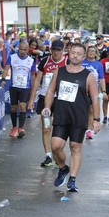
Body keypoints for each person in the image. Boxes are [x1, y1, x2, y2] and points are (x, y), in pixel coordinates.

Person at [42, 43, 101, 192]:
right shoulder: (59, 72)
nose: (75, 55)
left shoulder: (88, 76)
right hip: (62, 114)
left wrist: (96, 120)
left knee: (75, 147)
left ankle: (72, 180)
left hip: (78, 117)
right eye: (73, 52)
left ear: (84, 56)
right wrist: (47, 107)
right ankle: (63, 168)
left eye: (79, 53)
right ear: (69, 53)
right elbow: (50, 91)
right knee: (55, 146)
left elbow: (95, 99)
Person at [28, 39, 67, 167]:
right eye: (53, 50)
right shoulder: (44, 61)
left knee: (59, 128)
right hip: (45, 99)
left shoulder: (67, 62)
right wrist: (31, 100)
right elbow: (37, 80)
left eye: (58, 50)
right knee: (46, 127)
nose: (56, 53)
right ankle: (48, 156)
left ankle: (57, 153)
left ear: (63, 50)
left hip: (61, 100)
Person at [1, 41, 36, 138]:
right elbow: (5, 69)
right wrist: (3, 79)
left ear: (28, 49)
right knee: (13, 108)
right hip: (14, 86)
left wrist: (33, 88)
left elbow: (33, 76)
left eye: (25, 49)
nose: (23, 51)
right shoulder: (12, 57)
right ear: (18, 49)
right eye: (21, 49)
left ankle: (21, 128)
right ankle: (14, 127)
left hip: (25, 87)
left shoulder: (31, 60)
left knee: (23, 106)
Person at [82, 46, 107, 139]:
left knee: (91, 110)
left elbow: (101, 78)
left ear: (96, 53)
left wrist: (103, 91)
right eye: (90, 51)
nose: (91, 53)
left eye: (93, 51)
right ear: (86, 52)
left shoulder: (98, 64)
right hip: (81, 89)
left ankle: (88, 130)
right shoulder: (82, 62)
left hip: (93, 90)